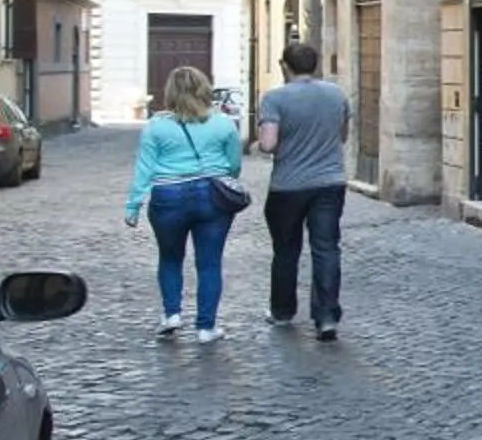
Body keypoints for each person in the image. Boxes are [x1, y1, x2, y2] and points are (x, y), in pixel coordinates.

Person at [123, 66, 245, 345]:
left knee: (169, 257)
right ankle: (206, 328)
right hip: (212, 196)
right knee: (209, 263)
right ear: (204, 89)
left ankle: (172, 315)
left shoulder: (156, 126)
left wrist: (133, 206)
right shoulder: (223, 123)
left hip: (168, 195)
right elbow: (234, 165)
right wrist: (223, 178)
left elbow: (145, 168)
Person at [257, 39, 352, 341]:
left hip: (288, 185)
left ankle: (283, 311)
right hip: (330, 182)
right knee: (326, 248)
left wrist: (263, 143)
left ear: (285, 66)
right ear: (315, 65)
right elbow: (342, 136)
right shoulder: (336, 94)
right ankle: (327, 317)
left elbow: (268, 144)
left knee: (286, 250)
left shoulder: (275, 98)